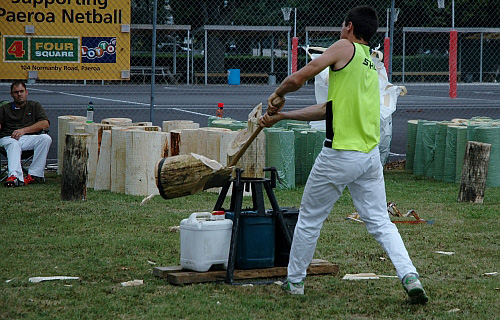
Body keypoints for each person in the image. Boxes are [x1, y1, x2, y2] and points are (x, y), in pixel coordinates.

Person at [261, 6, 428, 304]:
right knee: (380, 223)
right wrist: (283, 115)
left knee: (310, 219)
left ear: (349, 26)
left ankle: (295, 282)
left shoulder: (344, 47)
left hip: (339, 155)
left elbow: (302, 75)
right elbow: (329, 110)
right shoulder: (371, 63)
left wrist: (278, 94)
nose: (340, 30)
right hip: (369, 158)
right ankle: (410, 276)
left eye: (342, 25)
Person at [0, 81, 52, 187]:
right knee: (14, 144)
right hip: (8, 138)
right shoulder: (4, 109)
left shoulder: (35, 106)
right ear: (11, 94)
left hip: (27, 138)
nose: (19, 94)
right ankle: (14, 176)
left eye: (21, 91)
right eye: (16, 92)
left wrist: (23, 130)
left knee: (45, 138)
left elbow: (45, 123)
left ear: (26, 92)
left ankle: (34, 175)